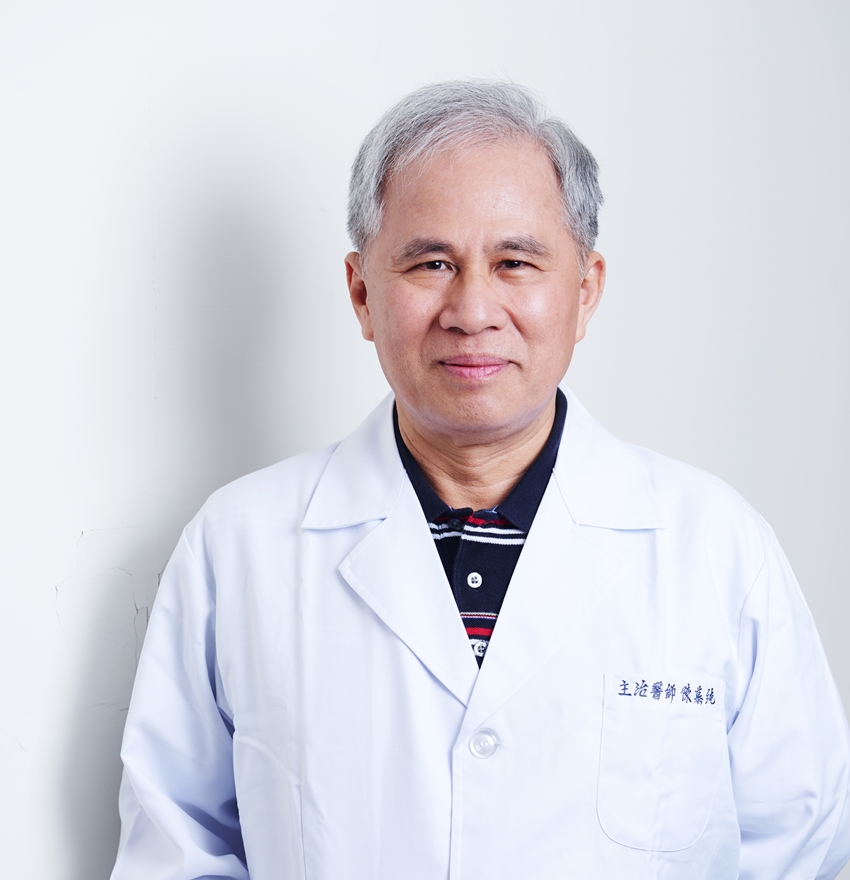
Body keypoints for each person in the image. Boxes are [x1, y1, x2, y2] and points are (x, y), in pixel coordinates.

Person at [110, 81, 850, 879]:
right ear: (362, 293)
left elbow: (804, 852)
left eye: (514, 263)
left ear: (585, 290)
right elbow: (174, 852)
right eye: (431, 263)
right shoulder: (239, 546)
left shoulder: (716, 549)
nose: (472, 310)